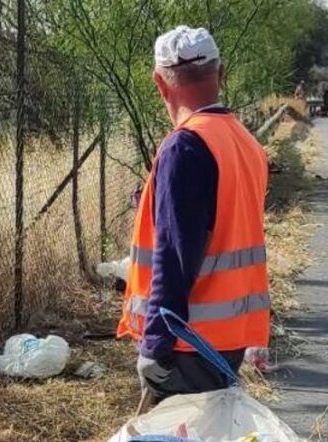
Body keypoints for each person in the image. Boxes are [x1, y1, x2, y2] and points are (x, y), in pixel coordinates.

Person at [117, 25, 270, 405]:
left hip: (187, 345)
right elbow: (220, 227)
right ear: (221, 74)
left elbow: (175, 258)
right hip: (229, 337)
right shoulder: (244, 142)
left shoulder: (185, 147)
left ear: (159, 83)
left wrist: (155, 343)